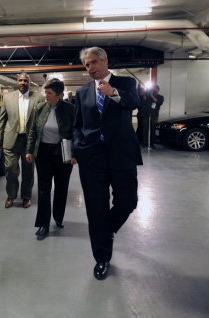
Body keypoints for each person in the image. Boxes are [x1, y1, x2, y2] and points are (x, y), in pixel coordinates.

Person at [73, 47, 142, 280]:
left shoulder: (125, 83)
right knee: (96, 208)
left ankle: (106, 230)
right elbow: (77, 125)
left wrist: (113, 92)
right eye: (86, 65)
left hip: (121, 153)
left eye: (93, 62)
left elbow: (134, 103)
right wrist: (78, 147)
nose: (90, 68)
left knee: (128, 201)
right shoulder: (82, 93)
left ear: (105, 61)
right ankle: (102, 258)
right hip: (92, 158)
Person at [25, 78, 77, 240]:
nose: (46, 96)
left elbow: (76, 132)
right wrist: (29, 150)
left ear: (60, 95)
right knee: (43, 190)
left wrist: (75, 154)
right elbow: (33, 130)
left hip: (63, 153)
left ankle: (58, 216)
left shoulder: (70, 109)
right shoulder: (40, 108)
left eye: (50, 93)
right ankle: (43, 224)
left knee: (61, 188)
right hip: (43, 154)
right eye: (45, 92)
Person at [0, 73, 45, 209]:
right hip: (11, 140)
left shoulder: (39, 98)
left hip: (29, 142)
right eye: (20, 80)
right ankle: (11, 195)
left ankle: (26, 197)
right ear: (17, 82)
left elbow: (42, 121)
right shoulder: (7, 98)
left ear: (29, 82)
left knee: (28, 171)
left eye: (25, 80)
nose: (22, 83)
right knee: (11, 170)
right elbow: (2, 119)